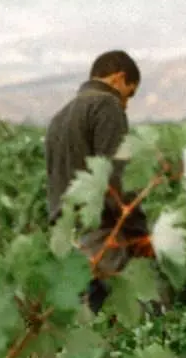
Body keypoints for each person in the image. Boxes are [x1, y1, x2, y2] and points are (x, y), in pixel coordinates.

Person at [45, 49, 152, 312]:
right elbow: (118, 179)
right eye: (129, 94)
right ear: (119, 78)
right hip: (102, 239)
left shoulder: (58, 118)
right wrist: (140, 234)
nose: (126, 104)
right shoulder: (107, 105)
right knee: (135, 316)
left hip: (64, 241)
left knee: (83, 323)